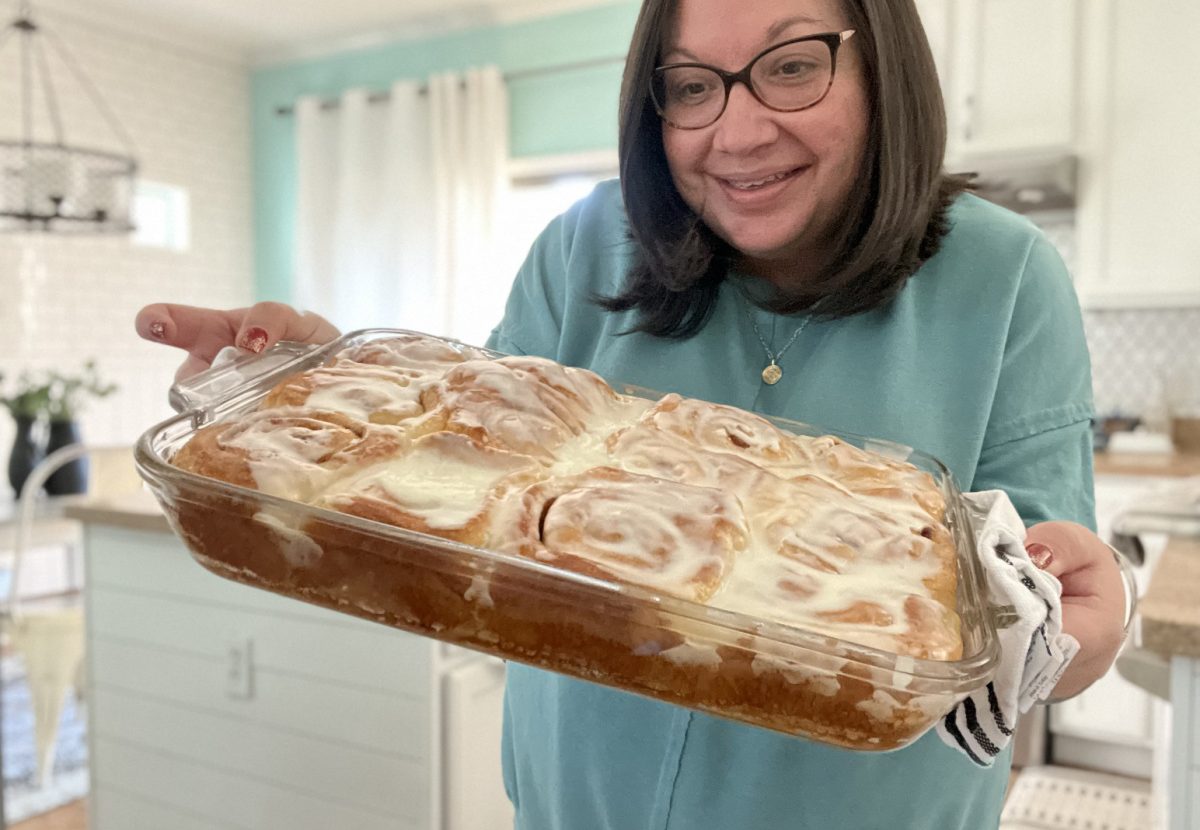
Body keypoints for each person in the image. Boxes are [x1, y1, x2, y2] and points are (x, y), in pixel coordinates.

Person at [136, 0, 1128, 827]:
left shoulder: (1007, 277)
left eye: (790, 67)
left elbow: (1024, 623)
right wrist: (316, 378)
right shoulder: (582, 246)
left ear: (886, 73)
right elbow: (462, 458)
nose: (734, 133)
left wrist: (1086, 625)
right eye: (691, 85)